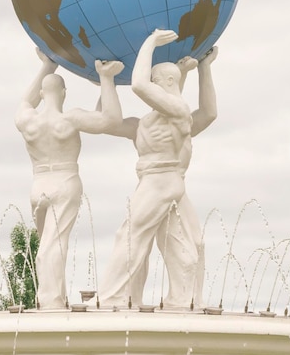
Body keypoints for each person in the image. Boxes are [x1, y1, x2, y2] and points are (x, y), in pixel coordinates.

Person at [99, 36, 218, 308]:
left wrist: (150, 41)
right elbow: (108, 122)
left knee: (130, 236)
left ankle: (112, 297)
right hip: (164, 183)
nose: (150, 84)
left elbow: (139, 85)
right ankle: (183, 300)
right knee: (188, 245)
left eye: (156, 80)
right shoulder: (147, 123)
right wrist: (105, 82)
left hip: (161, 183)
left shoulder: (179, 111)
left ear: (166, 83)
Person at [15, 48, 124, 309]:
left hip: (38, 184)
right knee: (53, 246)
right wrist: (106, 80)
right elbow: (110, 119)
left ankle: (55, 297)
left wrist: (48, 66)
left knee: (49, 244)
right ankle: (50, 302)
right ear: (64, 94)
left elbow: (24, 102)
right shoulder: (70, 119)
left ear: (42, 95)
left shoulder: (28, 120)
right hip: (65, 182)